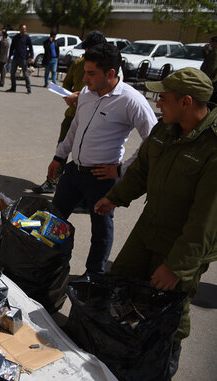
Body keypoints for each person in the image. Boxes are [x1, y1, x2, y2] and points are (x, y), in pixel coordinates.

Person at [94, 68, 217, 377]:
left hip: (184, 242)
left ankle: (163, 365)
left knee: (170, 309)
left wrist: (176, 267)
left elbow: (205, 222)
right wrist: (115, 197)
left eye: (163, 98)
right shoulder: (165, 129)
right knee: (120, 281)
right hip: (150, 226)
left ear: (186, 102)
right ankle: (123, 350)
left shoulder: (213, 149)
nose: (157, 104)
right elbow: (140, 172)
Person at [46, 43, 157, 275]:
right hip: (74, 172)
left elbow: (153, 140)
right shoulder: (87, 93)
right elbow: (75, 127)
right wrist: (59, 156)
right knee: (55, 219)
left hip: (101, 179)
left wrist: (122, 170)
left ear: (111, 74)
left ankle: (93, 278)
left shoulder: (131, 101)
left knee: (101, 231)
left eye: (91, 73)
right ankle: (45, 262)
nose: (84, 78)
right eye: (85, 71)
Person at [33, 31, 108, 194]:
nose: (86, 79)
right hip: (73, 114)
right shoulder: (79, 63)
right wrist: (68, 95)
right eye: (87, 50)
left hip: (95, 120)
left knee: (87, 155)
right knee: (62, 147)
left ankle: (83, 192)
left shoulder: (109, 69)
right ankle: (53, 182)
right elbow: (67, 83)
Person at [7, 24, 34, 94]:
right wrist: (9, 57)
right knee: (12, 73)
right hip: (15, 57)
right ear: (20, 29)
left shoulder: (27, 37)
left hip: (23, 58)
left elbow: (31, 48)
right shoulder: (16, 37)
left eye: (25, 29)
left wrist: (32, 57)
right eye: (22, 29)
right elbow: (12, 48)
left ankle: (29, 89)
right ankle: (13, 87)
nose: (24, 30)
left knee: (25, 74)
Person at [200, 36, 217, 104]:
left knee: (210, 96)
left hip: (212, 78)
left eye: (211, 42)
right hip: (210, 78)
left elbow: (212, 66)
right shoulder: (213, 51)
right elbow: (207, 58)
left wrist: (205, 77)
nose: (210, 44)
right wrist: (205, 50)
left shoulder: (215, 52)